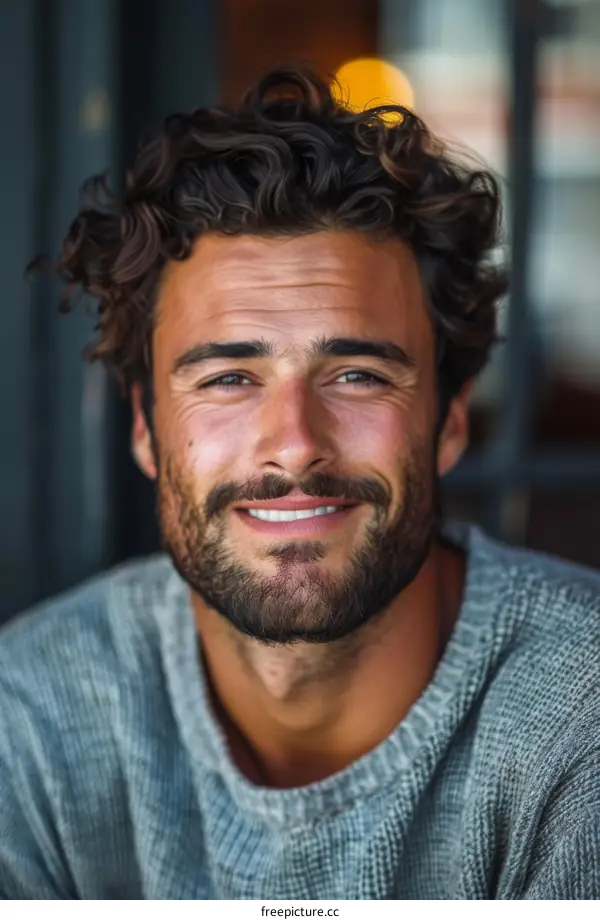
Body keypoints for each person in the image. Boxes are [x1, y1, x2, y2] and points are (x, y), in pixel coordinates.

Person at [1, 66, 599, 901]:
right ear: (144, 427)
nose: (294, 446)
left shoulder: (583, 716)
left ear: (451, 419)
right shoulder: (29, 716)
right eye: (227, 379)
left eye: (356, 375)